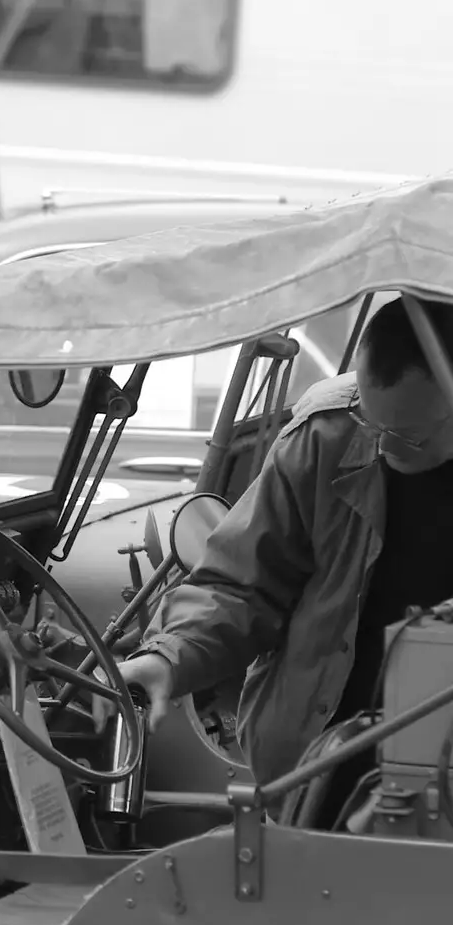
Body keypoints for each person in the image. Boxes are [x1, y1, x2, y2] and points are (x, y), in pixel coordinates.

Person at [109, 295, 453, 807]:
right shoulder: (331, 431)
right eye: (371, 424)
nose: (379, 447)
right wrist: (169, 658)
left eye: (404, 437)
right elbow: (242, 583)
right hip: (315, 771)